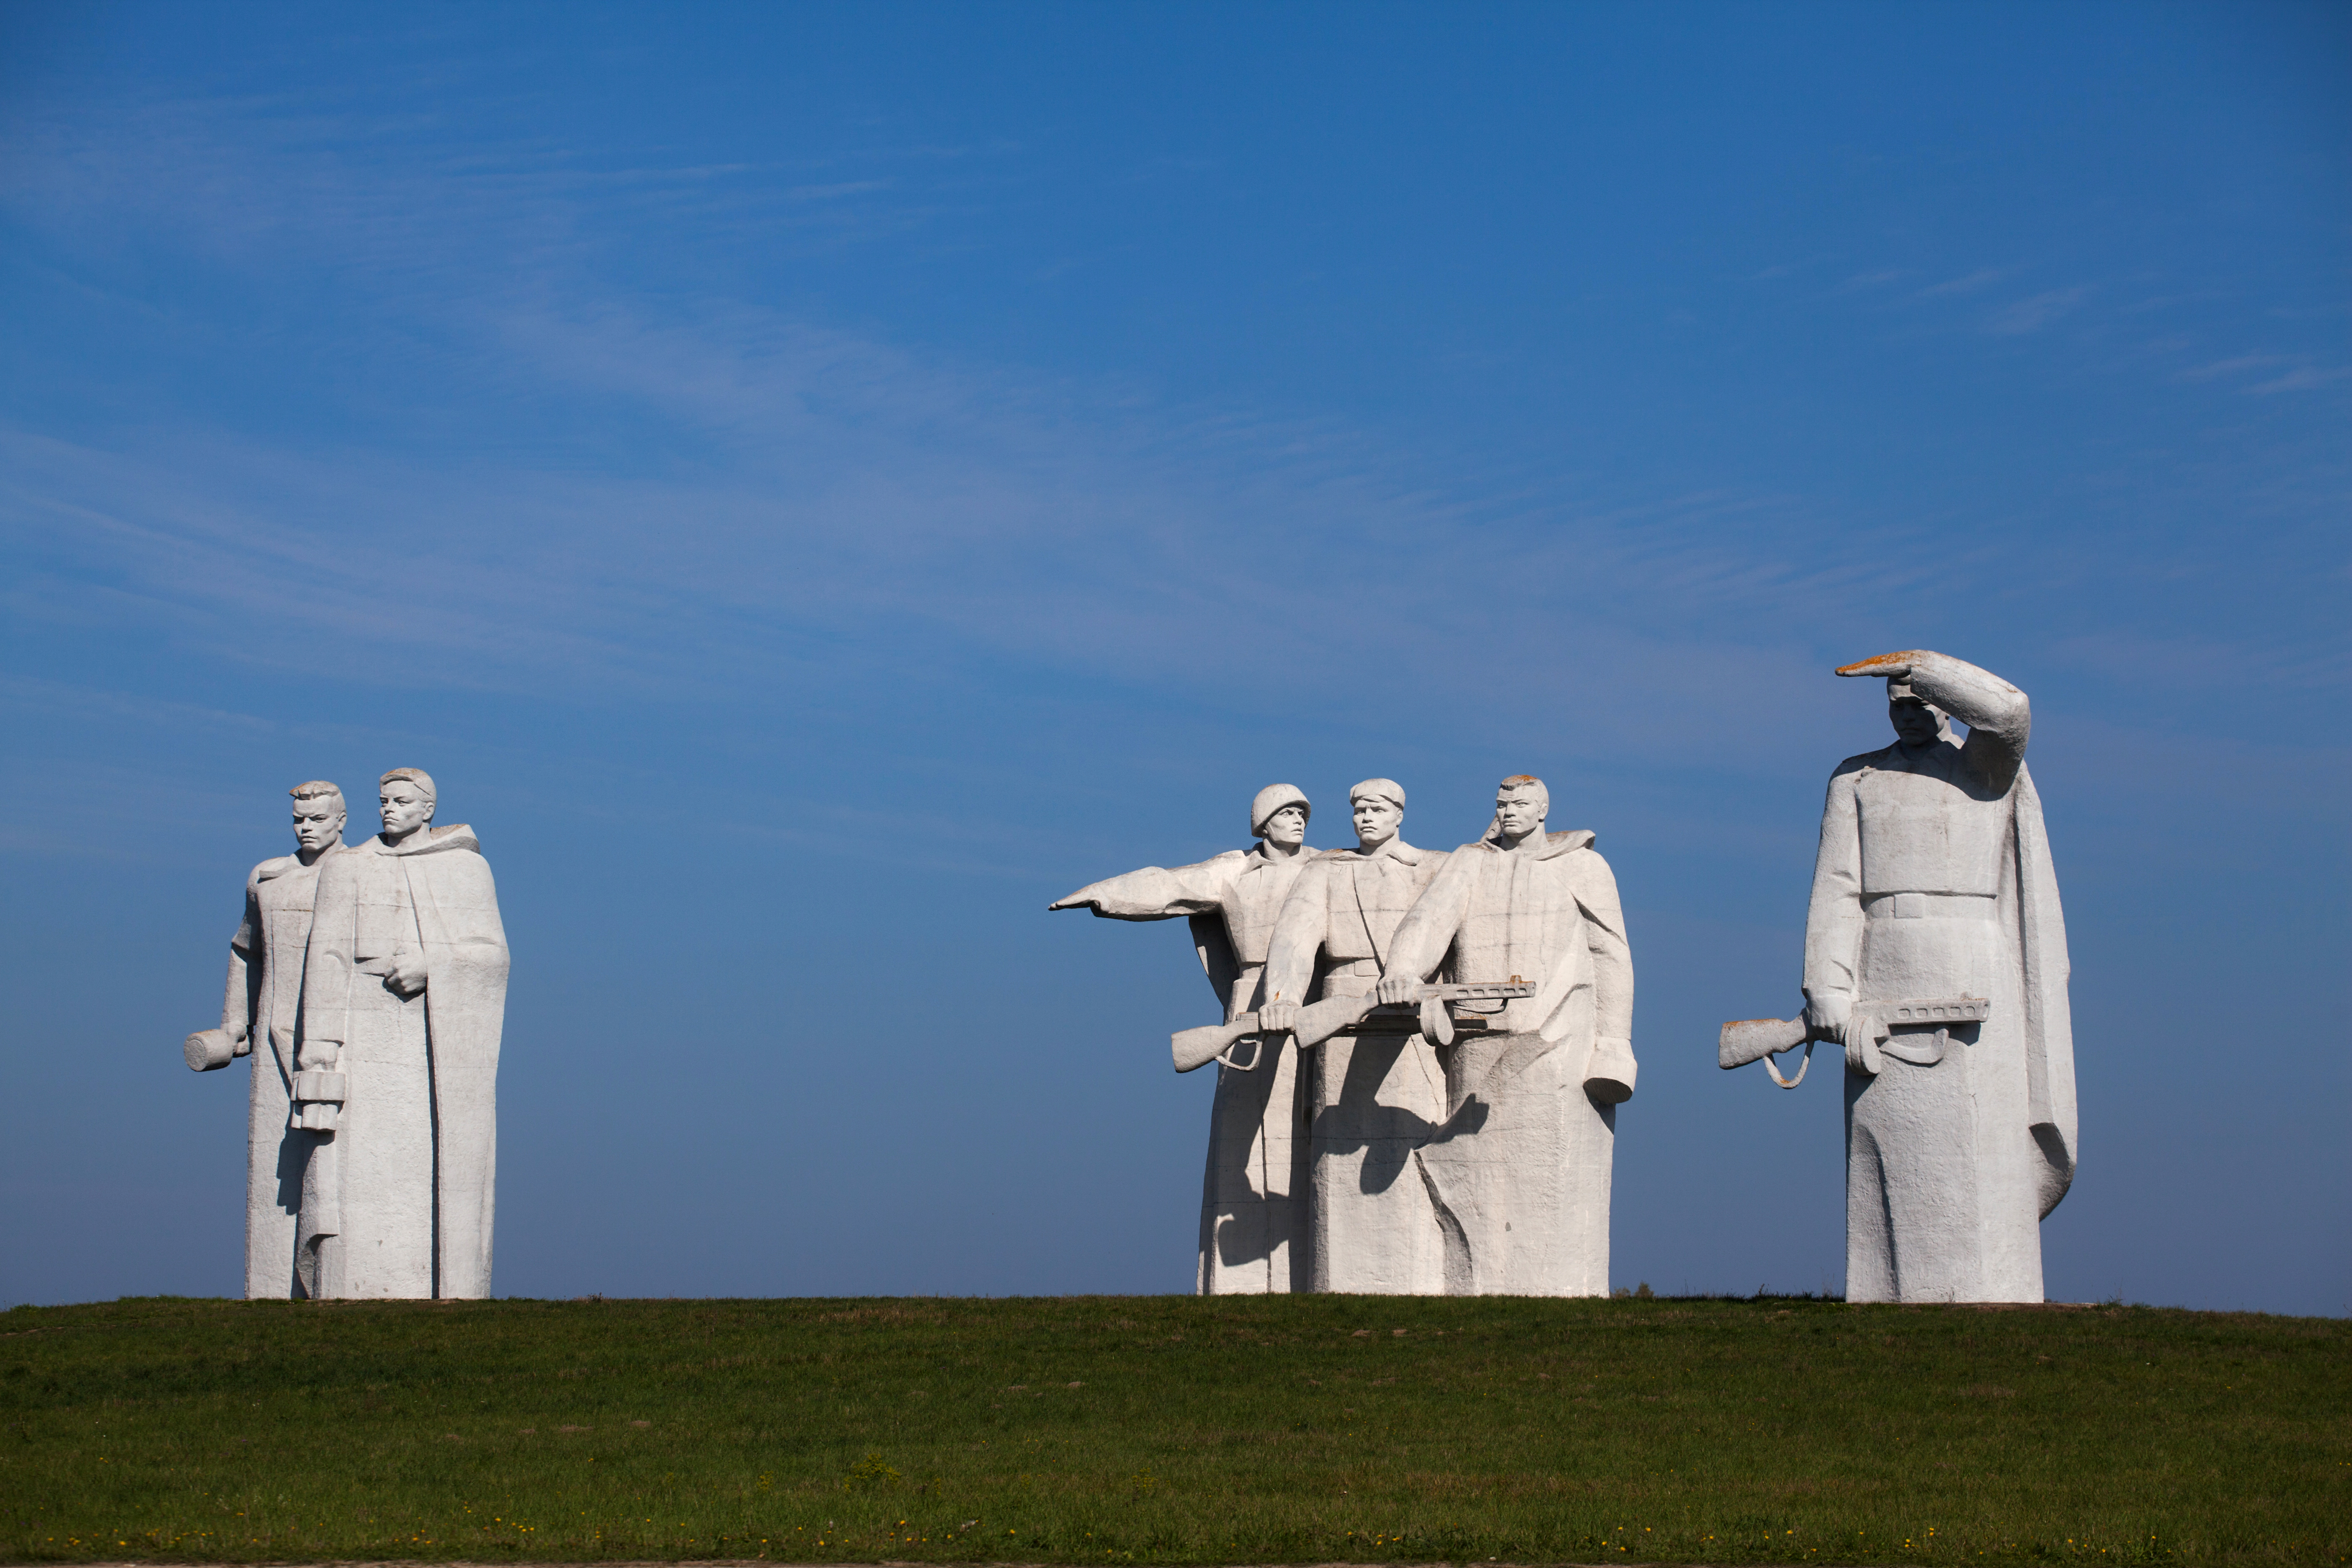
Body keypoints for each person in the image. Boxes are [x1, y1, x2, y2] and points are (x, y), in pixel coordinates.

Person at [1803, 650, 2076, 1303]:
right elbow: (1837, 889)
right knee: (1891, 1132)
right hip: (1883, 951)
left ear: (1948, 705)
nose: (1913, 714)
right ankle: (1888, 1288)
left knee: (1978, 1134)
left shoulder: (1983, 770)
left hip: (1972, 950)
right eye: (1900, 702)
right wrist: (1828, 990)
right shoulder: (1855, 780)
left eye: (1924, 702)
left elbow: (2011, 713)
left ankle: (1987, 1286)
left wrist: (1922, 665)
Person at [1050, 784, 1317, 1293]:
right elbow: (1166, 885)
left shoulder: (1328, 866)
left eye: (1303, 813)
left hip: (1313, 1002)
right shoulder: (1233, 871)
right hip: (1251, 1001)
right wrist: (1102, 894)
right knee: (1246, 1133)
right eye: (1287, 813)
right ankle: (1242, 1280)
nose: (1299, 821)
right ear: (1263, 824)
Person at [1378, 774, 1634, 1296]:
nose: (1509, 811)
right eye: (1502, 803)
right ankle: (1474, 1288)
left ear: (1543, 810)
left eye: (1519, 803)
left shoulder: (1583, 867)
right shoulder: (1470, 862)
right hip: (1478, 1035)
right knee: (1475, 1171)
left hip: (1560, 1038)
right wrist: (1404, 969)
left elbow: (1612, 957)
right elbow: (1427, 922)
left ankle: (1558, 1291)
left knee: (1552, 1176)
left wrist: (1613, 1043)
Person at [294, 768, 510, 1299]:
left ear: (428, 809)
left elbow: (493, 956)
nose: (389, 809)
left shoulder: (465, 869)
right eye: (384, 800)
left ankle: (439, 1285)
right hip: (360, 1028)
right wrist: (320, 1045)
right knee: (355, 1166)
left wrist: (433, 963)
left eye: (402, 801)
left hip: (434, 1035)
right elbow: (326, 955)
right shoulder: (349, 868)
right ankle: (353, 1284)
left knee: (430, 1158)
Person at [1259, 779, 1449, 1294]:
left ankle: (1419, 1282)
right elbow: (1295, 939)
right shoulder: (1326, 871)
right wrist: (1281, 1000)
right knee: (1338, 1156)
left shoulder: (1434, 866)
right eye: (1359, 810)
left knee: (1408, 1147)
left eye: (1377, 809)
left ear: (1399, 815)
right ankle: (1338, 1284)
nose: (1366, 818)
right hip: (1342, 1013)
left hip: (1409, 1014)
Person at [208, 781, 347, 1297]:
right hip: (272, 1033)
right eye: (298, 818)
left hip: (335, 1037)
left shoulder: (360, 874)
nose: (306, 826)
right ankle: (271, 1288)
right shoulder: (269, 877)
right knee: (277, 1163)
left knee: (332, 1160)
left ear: (341, 821)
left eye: (317, 817)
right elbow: (246, 952)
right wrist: (232, 1025)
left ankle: (334, 1280)